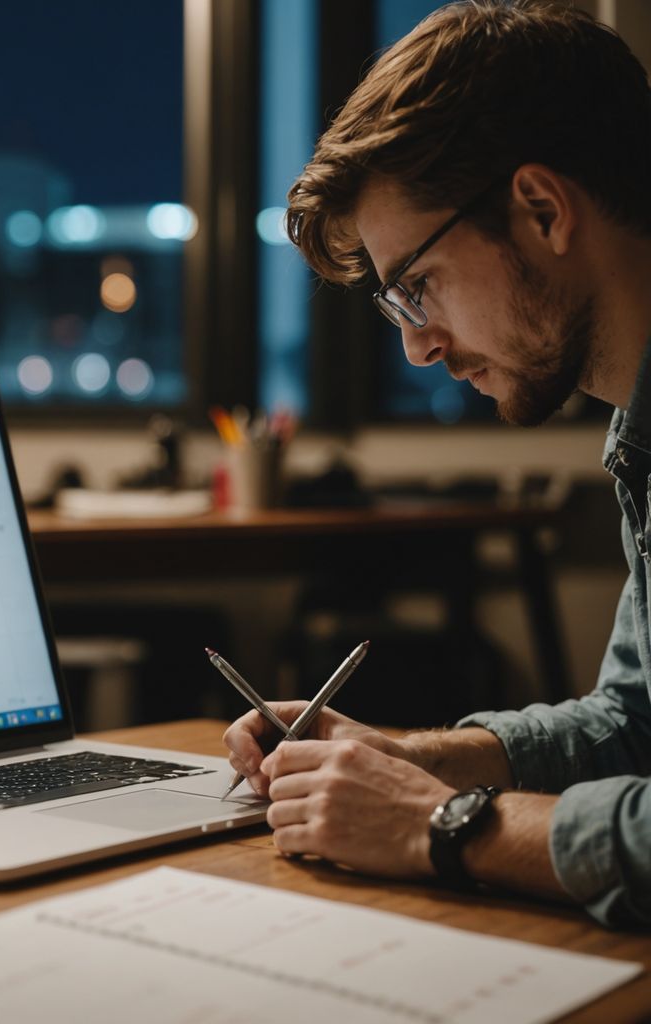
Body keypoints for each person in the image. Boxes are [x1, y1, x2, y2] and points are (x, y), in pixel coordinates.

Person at [224, 0, 651, 927]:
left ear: (542, 209)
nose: (418, 349)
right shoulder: (640, 439)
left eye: (417, 287)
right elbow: (633, 724)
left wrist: (445, 823)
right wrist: (409, 761)